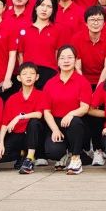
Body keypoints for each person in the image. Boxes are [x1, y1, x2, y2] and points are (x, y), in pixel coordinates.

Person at [42, 45, 92, 174]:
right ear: (58, 62)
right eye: (62, 58)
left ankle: (76, 158)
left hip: (76, 124)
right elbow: (46, 111)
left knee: (75, 122)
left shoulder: (82, 82)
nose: (66, 61)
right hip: (56, 122)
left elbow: (84, 108)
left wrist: (70, 114)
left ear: (75, 60)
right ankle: (64, 154)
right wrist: (55, 129)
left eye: (70, 57)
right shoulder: (50, 83)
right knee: (53, 152)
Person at [0, 62, 50, 174]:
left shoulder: (41, 94)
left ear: (37, 77)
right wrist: (1, 143)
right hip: (18, 135)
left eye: (32, 73)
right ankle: (22, 154)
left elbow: (39, 114)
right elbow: (5, 123)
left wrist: (19, 117)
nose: (28, 76)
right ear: (19, 78)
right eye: (24, 74)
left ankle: (29, 158)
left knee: (34, 122)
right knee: (0, 157)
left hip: (34, 135)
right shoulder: (12, 99)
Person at [71, 5, 106, 89]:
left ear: (104, 23)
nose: (96, 23)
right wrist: (86, 88)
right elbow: (78, 68)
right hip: (83, 80)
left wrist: (98, 89)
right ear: (86, 23)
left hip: (105, 80)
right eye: (92, 20)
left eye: (99, 20)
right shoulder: (76, 39)